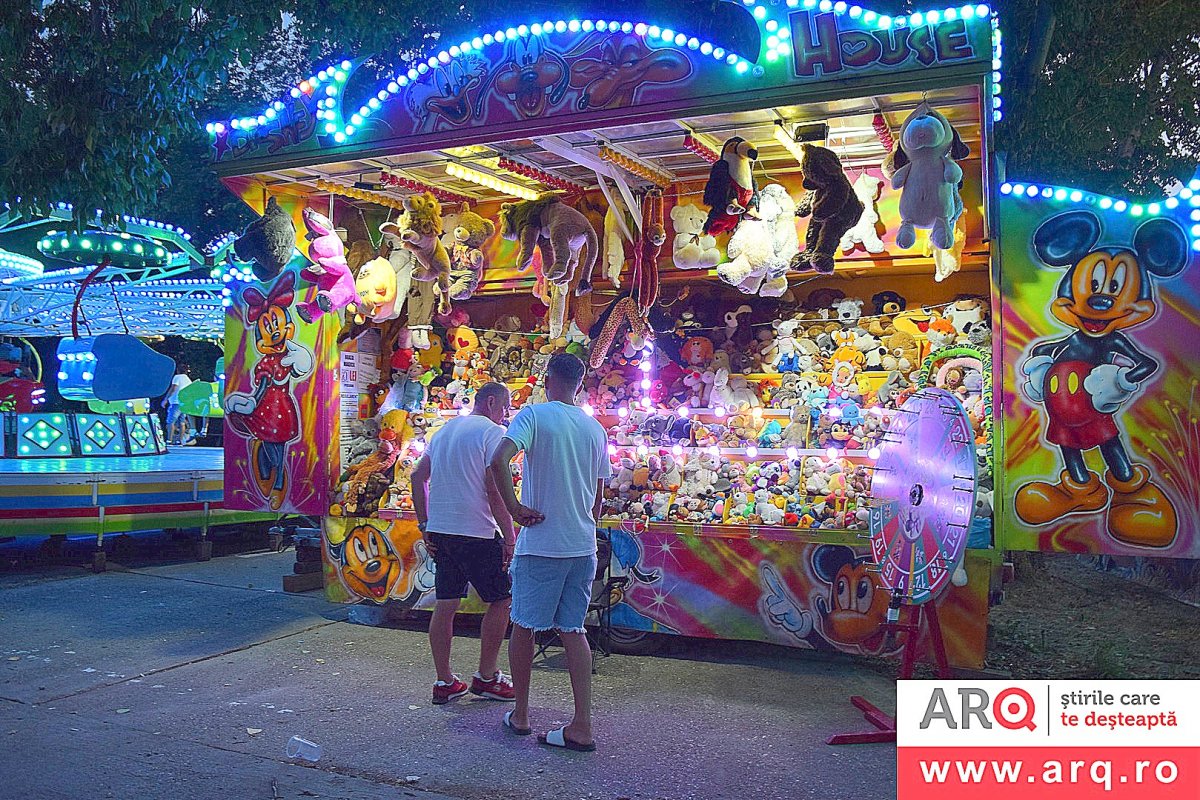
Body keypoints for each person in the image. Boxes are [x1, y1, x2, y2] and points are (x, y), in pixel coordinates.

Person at [489, 352, 610, 752]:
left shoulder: (534, 416)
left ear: (547, 379)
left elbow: (499, 459)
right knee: (574, 630)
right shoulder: (595, 429)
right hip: (581, 546)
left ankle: (521, 714)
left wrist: (514, 509)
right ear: (580, 383)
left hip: (542, 544)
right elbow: (597, 499)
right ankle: (582, 726)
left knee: (524, 626)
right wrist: (583, 525)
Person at [411, 382, 518, 706]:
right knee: (501, 600)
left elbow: (417, 477)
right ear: (491, 402)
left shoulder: (443, 431)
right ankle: (487, 676)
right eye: (505, 407)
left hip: (441, 531)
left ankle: (444, 680)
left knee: (445, 604)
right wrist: (509, 535)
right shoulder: (493, 433)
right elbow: (493, 489)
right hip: (476, 531)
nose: (506, 414)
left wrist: (425, 524)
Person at [163, 366, 195, 446]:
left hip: (176, 402)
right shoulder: (188, 379)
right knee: (182, 422)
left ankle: (169, 440)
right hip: (184, 403)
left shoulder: (177, 377)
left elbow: (174, 388)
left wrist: (166, 399)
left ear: (178, 370)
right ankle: (180, 441)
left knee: (170, 422)